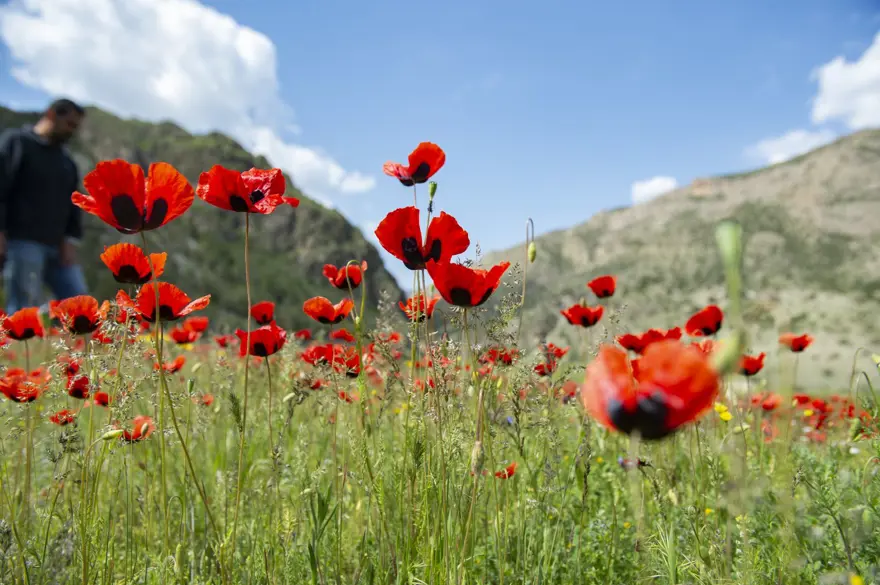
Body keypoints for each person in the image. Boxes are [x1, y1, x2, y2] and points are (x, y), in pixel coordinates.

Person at [0, 98, 88, 314]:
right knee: (24, 306)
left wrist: (69, 240)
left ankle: (76, 346)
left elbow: (73, 204)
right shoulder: (17, 142)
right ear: (51, 114)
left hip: (57, 246)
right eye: (69, 124)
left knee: (80, 304)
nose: (71, 131)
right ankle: (17, 348)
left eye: (75, 127)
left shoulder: (67, 162)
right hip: (22, 241)